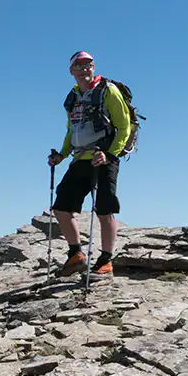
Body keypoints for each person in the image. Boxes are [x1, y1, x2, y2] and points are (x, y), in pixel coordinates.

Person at [48, 51, 131, 277]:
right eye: (80, 64)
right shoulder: (72, 97)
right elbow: (71, 131)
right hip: (80, 159)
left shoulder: (107, 91)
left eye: (89, 64)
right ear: (72, 70)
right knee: (61, 207)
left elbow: (124, 127)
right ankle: (76, 254)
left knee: (105, 209)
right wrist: (62, 155)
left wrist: (110, 154)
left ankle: (106, 260)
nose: (85, 68)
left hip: (104, 157)